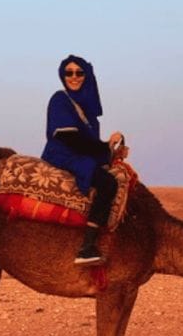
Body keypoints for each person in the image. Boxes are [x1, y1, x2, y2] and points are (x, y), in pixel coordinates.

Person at [41, 54, 129, 266]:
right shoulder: (60, 99)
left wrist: (110, 151)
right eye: (68, 73)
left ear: (87, 75)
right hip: (64, 154)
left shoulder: (88, 112)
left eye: (79, 72)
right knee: (108, 184)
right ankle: (87, 247)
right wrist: (105, 146)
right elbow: (70, 138)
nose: (74, 77)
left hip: (78, 153)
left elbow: (88, 143)